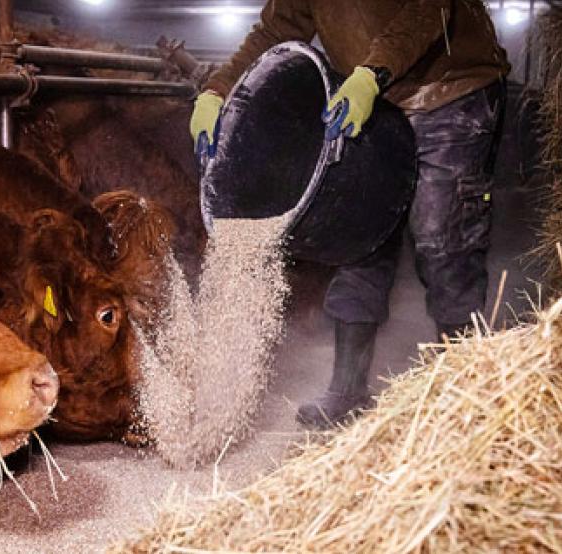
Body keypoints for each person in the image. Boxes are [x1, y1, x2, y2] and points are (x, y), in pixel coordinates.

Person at [189, 0, 509, 428]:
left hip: (451, 91)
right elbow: (274, 31)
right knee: (357, 229)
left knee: (441, 233)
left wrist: (370, 75)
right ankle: (348, 389)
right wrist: (216, 90)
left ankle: (466, 388)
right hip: (373, 94)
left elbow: (427, 9)